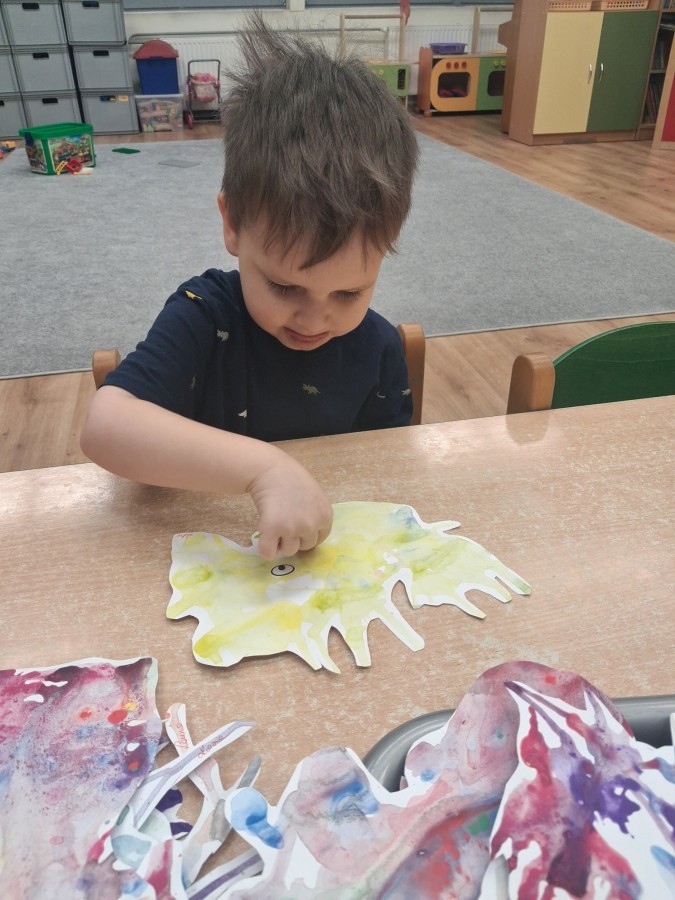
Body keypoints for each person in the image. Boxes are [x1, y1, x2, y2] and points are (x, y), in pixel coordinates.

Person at [81, 13, 419, 561]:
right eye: (284, 287)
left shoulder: (377, 347)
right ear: (233, 224)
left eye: (348, 294)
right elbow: (105, 428)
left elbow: (388, 471)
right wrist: (265, 470)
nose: (314, 320)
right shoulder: (203, 315)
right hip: (203, 558)